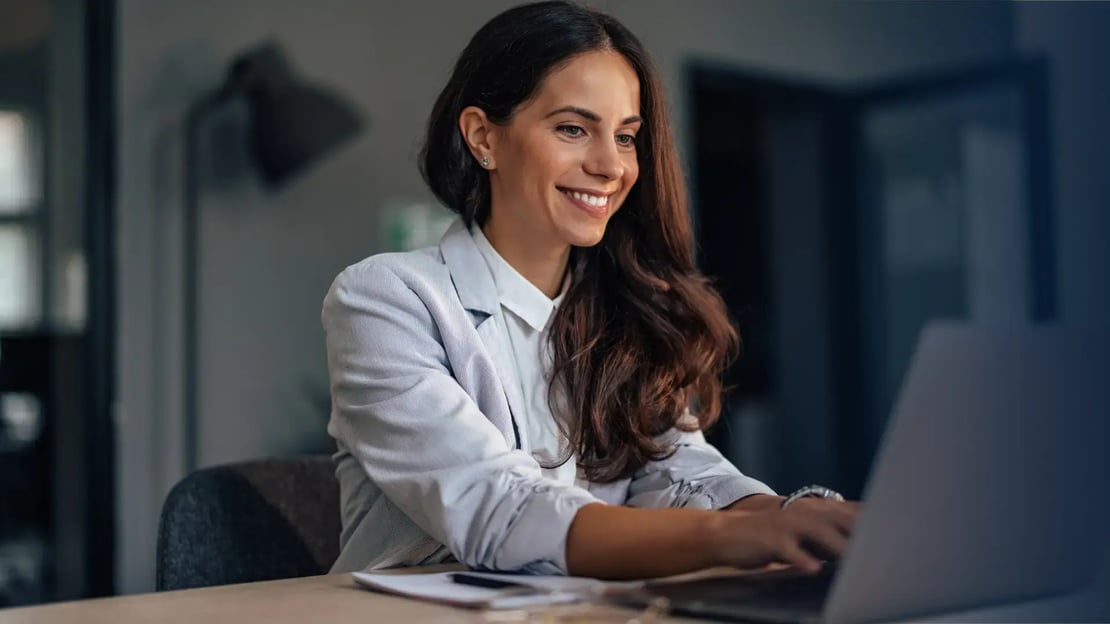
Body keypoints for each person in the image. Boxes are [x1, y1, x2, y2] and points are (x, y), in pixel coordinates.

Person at [323, 0, 856, 580]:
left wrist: (793, 517)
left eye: (626, 137)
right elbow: (498, 509)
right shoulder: (385, 298)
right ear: (483, 137)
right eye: (573, 129)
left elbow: (680, 473)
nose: (611, 165)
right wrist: (738, 535)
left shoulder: (627, 312)